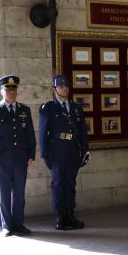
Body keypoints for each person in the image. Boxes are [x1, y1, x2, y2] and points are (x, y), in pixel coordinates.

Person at [0, 75, 36, 237]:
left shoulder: (24, 110)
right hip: (2, 160)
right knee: (4, 194)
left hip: (21, 158)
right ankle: (7, 225)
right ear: (2, 91)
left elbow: (30, 134)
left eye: (14, 89)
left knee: (19, 194)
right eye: (8, 89)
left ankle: (18, 224)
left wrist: (31, 155)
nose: (11, 92)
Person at [39, 75, 89, 230]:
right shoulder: (48, 108)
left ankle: (70, 215)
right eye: (61, 86)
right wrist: (45, 154)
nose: (65, 88)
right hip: (57, 151)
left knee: (70, 184)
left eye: (66, 86)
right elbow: (43, 133)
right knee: (59, 184)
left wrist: (85, 151)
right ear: (55, 89)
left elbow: (82, 131)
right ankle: (60, 217)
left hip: (73, 150)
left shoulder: (76, 107)